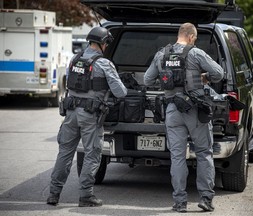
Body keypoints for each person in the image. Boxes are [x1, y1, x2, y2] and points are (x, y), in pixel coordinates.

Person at [144, 23, 224, 212]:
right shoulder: (195, 53)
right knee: (204, 153)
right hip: (195, 110)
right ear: (191, 37)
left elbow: (147, 80)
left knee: (177, 157)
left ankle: (179, 202)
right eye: (194, 39)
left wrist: (165, 79)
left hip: (172, 110)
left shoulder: (161, 55)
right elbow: (219, 73)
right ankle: (206, 199)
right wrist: (204, 78)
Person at [47, 27, 127, 207]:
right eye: (106, 43)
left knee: (64, 154)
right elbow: (120, 92)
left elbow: (70, 84)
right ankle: (86, 196)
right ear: (103, 43)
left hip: (70, 113)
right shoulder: (104, 63)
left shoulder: (74, 60)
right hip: (90, 116)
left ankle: (53, 194)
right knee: (92, 154)